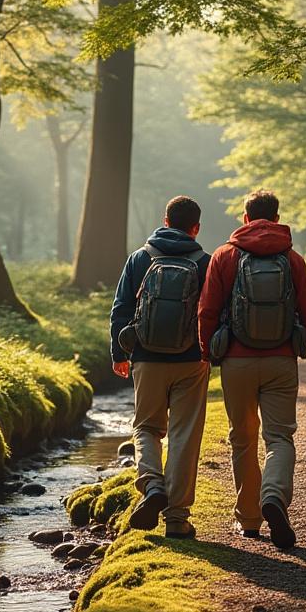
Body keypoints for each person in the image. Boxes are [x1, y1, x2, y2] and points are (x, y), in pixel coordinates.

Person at [198, 190, 306, 549]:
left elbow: (207, 311)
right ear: (276, 217)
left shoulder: (225, 255)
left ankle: (249, 519)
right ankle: (273, 496)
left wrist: (206, 354)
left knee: (242, 438)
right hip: (281, 360)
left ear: (245, 218)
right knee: (280, 437)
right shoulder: (292, 258)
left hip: (237, 362)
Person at [110, 195, 212, 539]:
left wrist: (119, 354)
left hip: (147, 358)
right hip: (191, 360)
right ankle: (177, 520)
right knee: (184, 437)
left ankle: (152, 483)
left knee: (146, 428)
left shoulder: (140, 258)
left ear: (164, 222)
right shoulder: (205, 262)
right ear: (196, 228)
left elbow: (120, 309)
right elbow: (215, 314)